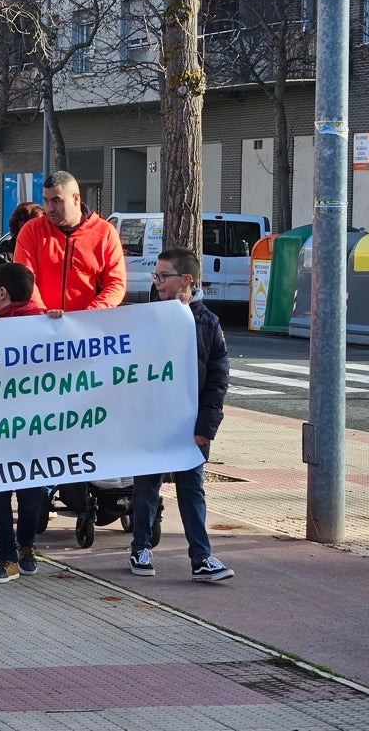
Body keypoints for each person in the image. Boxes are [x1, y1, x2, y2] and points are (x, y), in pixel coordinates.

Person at [129, 247, 234, 582]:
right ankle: (140, 548)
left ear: (186, 280)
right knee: (147, 484)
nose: (157, 282)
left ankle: (201, 558)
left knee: (192, 488)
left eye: (164, 276)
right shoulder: (147, 318)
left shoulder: (207, 322)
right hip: (154, 422)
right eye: (155, 276)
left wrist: (206, 426)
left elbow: (218, 380)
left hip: (190, 425)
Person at [0, 263, 63, 583]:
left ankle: (21, 550)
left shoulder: (41, 323)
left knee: (21, 492)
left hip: (28, 427)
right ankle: (11, 555)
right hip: (5, 427)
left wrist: (59, 326)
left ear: (2, 293)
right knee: (10, 491)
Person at [13, 171, 126, 312]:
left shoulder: (105, 233)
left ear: (75, 198)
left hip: (88, 327)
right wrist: (40, 313)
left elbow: (115, 283)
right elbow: (24, 279)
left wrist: (93, 312)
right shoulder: (31, 231)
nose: (49, 208)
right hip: (40, 323)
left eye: (56, 200)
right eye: (46, 201)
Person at [0, 202, 44, 273]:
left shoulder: (43, 251)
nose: (43, 230)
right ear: (22, 225)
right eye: (38, 225)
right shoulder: (3, 257)